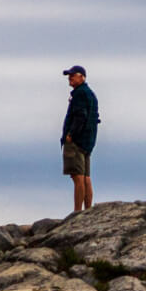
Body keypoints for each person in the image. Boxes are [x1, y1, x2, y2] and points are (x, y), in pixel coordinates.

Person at [60, 65, 99, 213]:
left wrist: (71, 135)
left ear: (82, 77)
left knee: (78, 177)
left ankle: (78, 212)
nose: (70, 78)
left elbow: (80, 116)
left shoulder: (80, 94)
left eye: (73, 75)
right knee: (86, 177)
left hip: (77, 141)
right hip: (88, 142)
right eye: (69, 75)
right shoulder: (90, 94)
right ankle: (87, 210)